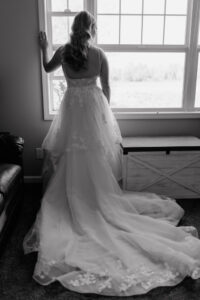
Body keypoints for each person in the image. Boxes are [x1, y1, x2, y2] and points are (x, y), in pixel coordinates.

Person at [23, 11, 200, 296]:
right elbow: (106, 89)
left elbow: (46, 69)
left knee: (72, 155)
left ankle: (76, 198)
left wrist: (43, 48)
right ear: (92, 29)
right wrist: (104, 118)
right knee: (94, 156)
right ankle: (92, 199)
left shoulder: (63, 52)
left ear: (73, 29)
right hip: (92, 109)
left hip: (72, 109)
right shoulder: (99, 54)